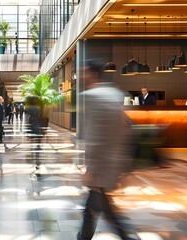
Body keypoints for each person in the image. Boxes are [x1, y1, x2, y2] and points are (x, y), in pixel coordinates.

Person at [78, 78, 134, 239]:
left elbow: (97, 140)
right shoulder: (116, 109)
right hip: (108, 167)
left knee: (99, 206)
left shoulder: (97, 101)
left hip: (102, 169)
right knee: (100, 207)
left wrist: (92, 168)